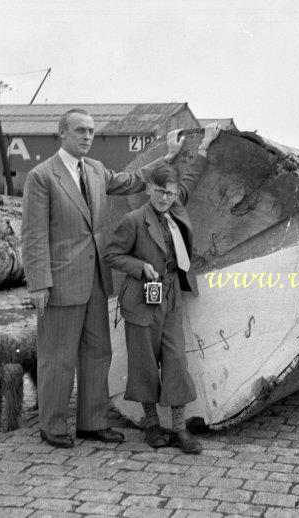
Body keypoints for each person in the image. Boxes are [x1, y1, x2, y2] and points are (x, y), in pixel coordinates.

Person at [21, 108, 185, 449]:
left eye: (91, 130)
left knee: (98, 352)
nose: (87, 135)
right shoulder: (42, 176)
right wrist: (38, 283)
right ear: (62, 133)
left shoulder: (95, 170)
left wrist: (166, 155)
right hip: (59, 282)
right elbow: (33, 236)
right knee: (58, 356)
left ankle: (91, 423)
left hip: (97, 279)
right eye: (80, 130)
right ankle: (52, 426)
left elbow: (133, 180)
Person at [104, 124, 220, 452]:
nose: (166, 198)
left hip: (170, 296)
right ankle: (153, 427)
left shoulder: (175, 205)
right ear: (149, 190)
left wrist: (204, 146)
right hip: (141, 298)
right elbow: (112, 254)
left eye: (170, 193)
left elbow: (190, 179)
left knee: (175, 360)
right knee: (143, 363)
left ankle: (180, 429)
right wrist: (139, 266)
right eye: (160, 192)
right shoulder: (134, 221)